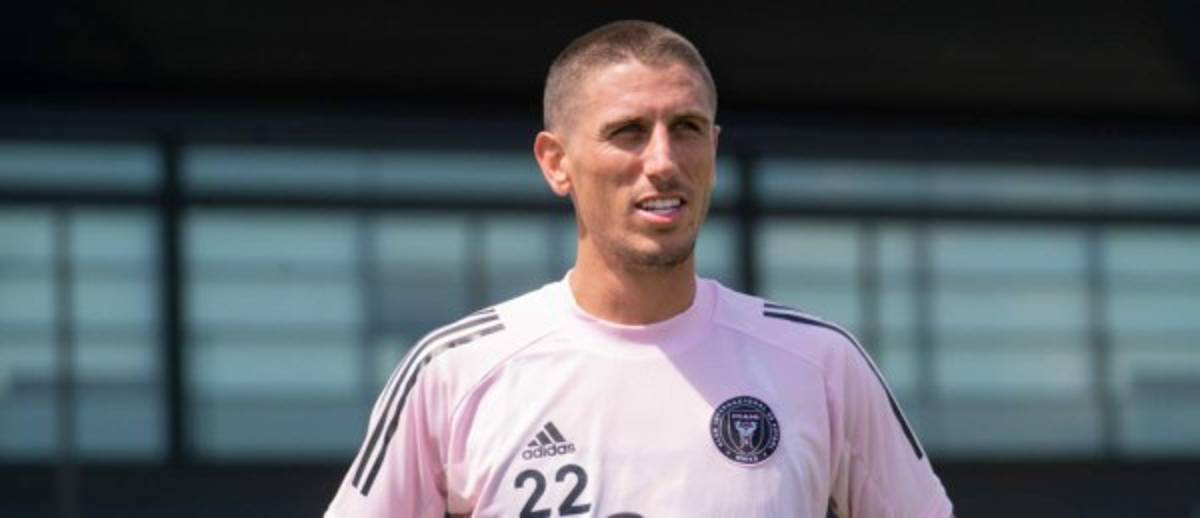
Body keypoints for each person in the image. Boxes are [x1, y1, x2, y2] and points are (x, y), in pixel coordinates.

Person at [325, 20, 953, 517]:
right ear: (556, 163)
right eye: (628, 131)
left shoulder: (820, 362)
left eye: (686, 127)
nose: (663, 161)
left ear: (714, 148)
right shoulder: (455, 371)